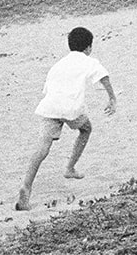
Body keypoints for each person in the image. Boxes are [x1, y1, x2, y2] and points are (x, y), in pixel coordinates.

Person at [16, 26, 117, 210]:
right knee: (86, 129)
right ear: (88, 47)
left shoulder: (58, 65)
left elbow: (47, 89)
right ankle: (70, 168)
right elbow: (104, 76)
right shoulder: (88, 61)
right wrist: (112, 98)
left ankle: (26, 186)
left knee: (43, 146)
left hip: (50, 106)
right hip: (71, 107)